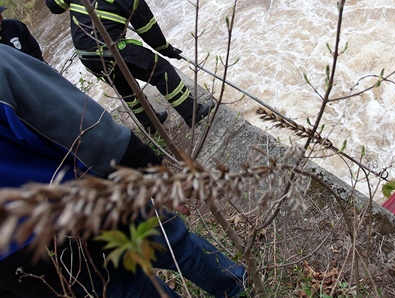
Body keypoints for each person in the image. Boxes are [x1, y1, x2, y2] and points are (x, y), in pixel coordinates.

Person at [0, 45, 246, 297]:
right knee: (174, 245)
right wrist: (149, 170)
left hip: (16, 256)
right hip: (89, 198)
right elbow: (76, 120)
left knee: (125, 291)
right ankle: (239, 289)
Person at [45, 0, 212, 134]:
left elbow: (53, 4)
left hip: (86, 55)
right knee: (161, 70)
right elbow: (149, 31)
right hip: (110, 50)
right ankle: (193, 114)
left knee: (126, 87)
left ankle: (151, 123)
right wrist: (168, 50)